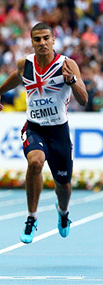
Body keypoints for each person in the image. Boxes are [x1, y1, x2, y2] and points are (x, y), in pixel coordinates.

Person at [0, 22, 88, 243]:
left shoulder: (67, 65)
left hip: (58, 131)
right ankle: (31, 217)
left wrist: (73, 82)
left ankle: (63, 213)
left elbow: (84, 100)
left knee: (64, 186)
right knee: (35, 162)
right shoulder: (25, 65)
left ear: (53, 39)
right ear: (32, 42)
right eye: (37, 39)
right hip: (34, 128)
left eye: (46, 38)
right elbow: (14, 79)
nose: (42, 43)